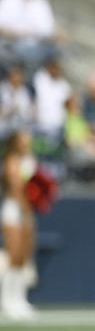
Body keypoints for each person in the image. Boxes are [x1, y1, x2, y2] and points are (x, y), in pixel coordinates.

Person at [1, 129, 36, 319]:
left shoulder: (28, 158)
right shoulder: (11, 160)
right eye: (23, 141)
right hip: (14, 210)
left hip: (26, 210)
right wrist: (25, 208)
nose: (26, 144)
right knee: (13, 255)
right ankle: (6, 301)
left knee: (23, 256)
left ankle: (19, 299)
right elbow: (16, 187)